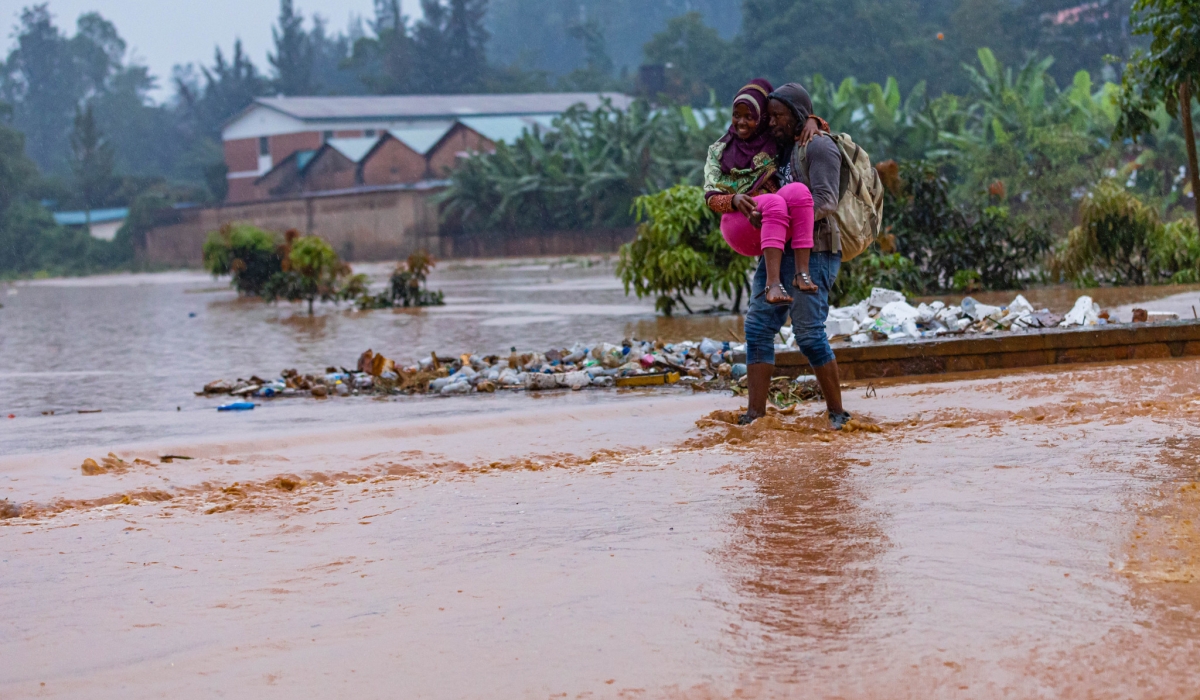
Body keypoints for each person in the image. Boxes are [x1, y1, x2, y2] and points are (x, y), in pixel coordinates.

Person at [739, 81, 852, 430]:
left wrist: (786, 219)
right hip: (777, 249)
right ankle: (755, 416)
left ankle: (837, 413)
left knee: (808, 334)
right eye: (770, 116)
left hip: (814, 251)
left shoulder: (818, 148)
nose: (771, 123)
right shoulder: (782, 148)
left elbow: (827, 201)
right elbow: (740, 130)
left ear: (798, 116)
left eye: (778, 116)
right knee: (757, 328)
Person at [702, 79, 818, 308]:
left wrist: (814, 121)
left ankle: (801, 274)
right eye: (737, 115)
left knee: (800, 192)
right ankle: (772, 284)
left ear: (762, 118)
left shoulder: (774, 140)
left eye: (750, 116)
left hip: (775, 219)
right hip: (739, 221)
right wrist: (734, 200)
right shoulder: (719, 150)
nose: (741, 122)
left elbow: (794, 120)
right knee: (775, 201)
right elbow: (710, 197)